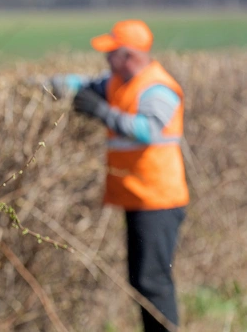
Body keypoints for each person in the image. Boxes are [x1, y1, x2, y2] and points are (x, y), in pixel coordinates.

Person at [52, 20, 188, 332]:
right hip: (138, 196)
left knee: (152, 280)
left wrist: (104, 113)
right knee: (142, 279)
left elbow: (149, 130)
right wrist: (48, 84)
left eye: (111, 53)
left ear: (129, 56)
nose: (106, 60)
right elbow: (84, 86)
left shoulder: (158, 88)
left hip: (158, 200)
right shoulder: (117, 81)